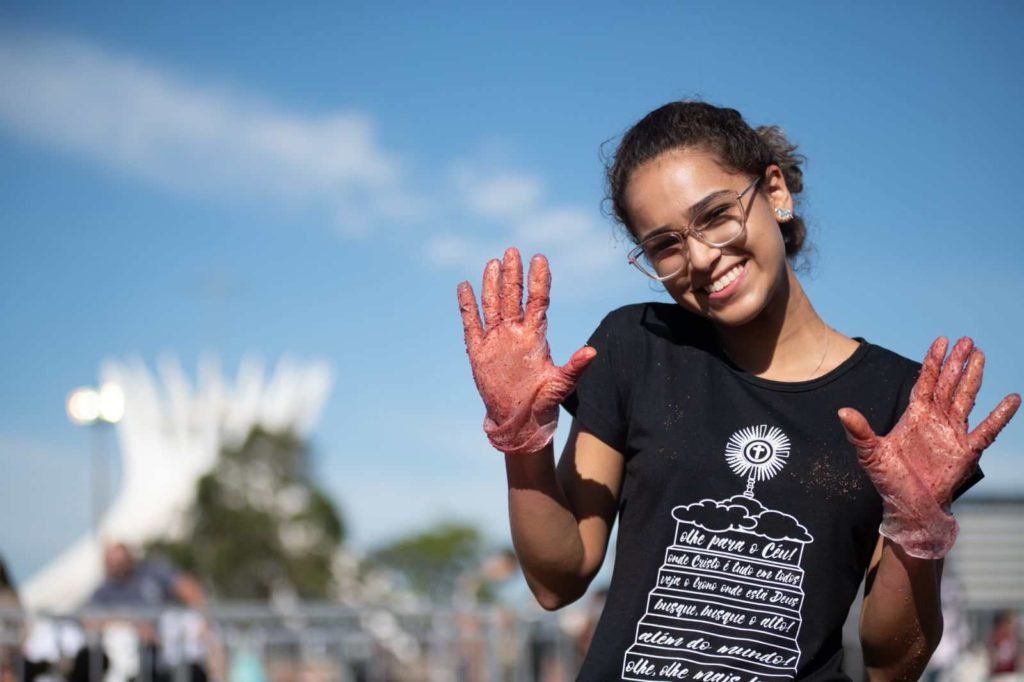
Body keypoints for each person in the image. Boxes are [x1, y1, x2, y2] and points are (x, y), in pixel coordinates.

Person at [456, 101, 1021, 681]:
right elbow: (557, 580)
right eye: (666, 246)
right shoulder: (637, 347)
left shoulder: (901, 401)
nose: (701, 257)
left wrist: (917, 531)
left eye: (717, 215)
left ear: (775, 192)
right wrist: (522, 441)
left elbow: (893, 665)